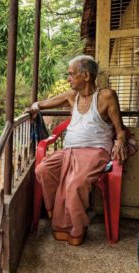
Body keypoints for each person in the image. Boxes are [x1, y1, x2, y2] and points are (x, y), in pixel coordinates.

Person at [31, 55, 127, 246]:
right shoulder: (72, 96)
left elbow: (120, 128)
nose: (68, 79)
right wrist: (35, 106)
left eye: (71, 74)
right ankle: (54, 213)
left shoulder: (106, 96)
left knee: (75, 184)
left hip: (95, 151)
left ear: (85, 76)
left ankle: (77, 227)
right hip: (69, 151)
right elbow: (51, 101)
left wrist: (120, 141)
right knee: (43, 169)